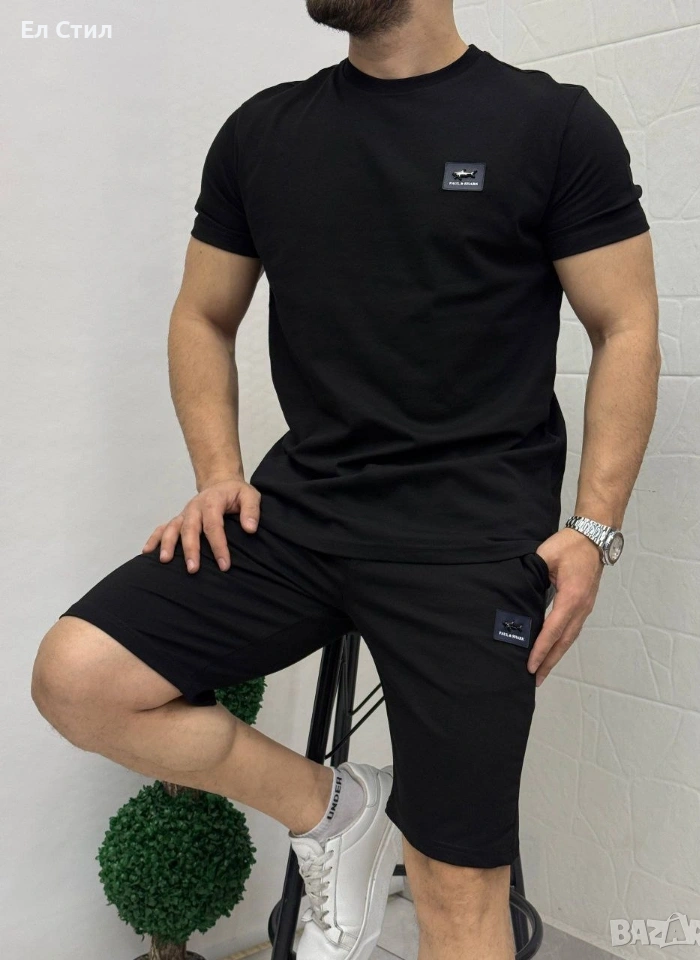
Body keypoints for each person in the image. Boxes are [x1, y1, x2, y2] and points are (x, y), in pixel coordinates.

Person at [30, 1, 661, 958]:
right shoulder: (263, 133)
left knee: (456, 890)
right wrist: (218, 474)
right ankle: (333, 810)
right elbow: (203, 314)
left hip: (471, 540)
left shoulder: (552, 123)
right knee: (78, 678)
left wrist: (595, 527)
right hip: (301, 517)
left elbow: (627, 325)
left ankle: (393, 839)